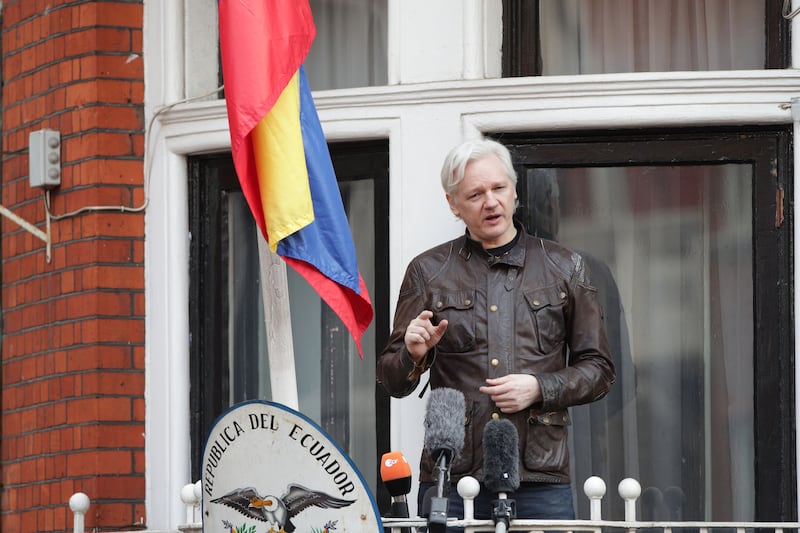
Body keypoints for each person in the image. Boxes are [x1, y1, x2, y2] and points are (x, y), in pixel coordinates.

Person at [376, 137, 616, 527]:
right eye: (475, 193)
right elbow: (390, 379)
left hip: (541, 478)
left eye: (498, 188)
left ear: (514, 190)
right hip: (450, 477)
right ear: (453, 204)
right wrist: (413, 354)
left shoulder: (564, 266)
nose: (490, 201)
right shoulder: (428, 271)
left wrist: (540, 388)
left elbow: (600, 370)